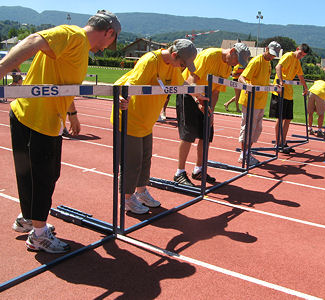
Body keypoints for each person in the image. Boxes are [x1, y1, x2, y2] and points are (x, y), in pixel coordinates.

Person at [0, 10, 121, 253]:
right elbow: (33, 40)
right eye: (112, 41)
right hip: (37, 119)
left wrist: (72, 114)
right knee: (43, 178)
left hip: (37, 117)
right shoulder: (74, 35)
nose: (109, 48)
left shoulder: (78, 48)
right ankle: (39, 235)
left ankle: (29, 218)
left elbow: (63, 85)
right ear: (108, 32)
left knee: (35, 174)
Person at [114, 39, 197, 214]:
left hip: (146, 121)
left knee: (145, 159)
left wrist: (197, 96)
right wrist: (123, 98)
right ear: (174, 55)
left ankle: (141, 192)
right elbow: (131, 83)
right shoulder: (150, 61)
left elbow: (182, 84)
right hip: (131, 118)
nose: (182, 68)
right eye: (182, 64)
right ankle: (127, 199)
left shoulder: (172, 67)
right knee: (132, 162)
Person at [174, 43, 251, 186]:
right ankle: (180, 172)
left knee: (206, 135)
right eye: (236, 59)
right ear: (232, 51)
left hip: (206, 98)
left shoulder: (228, 66)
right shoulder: (209, 56)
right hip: (189, 93)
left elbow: (215, 91)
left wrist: (211, 111)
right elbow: (192, 78)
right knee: (188, 135)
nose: (235, 64)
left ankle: (199, 169)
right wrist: (197, 99)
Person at [237, 41, 282, 165]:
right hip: (250, 101)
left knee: (257, 129)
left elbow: (263, 83)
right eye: (271, 53)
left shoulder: (268, 64)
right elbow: (242, 77)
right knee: (248, 128)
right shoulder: (256, 61)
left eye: (275, 55)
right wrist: (247, 85)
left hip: (261, 101)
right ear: (266, 49)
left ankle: (247, 153)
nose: (272, 57)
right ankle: (243, 154)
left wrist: (273, 86)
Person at [269, 43, 310, 154]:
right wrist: (281, 81)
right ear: (297, 49)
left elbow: (301, 76)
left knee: (288, 119)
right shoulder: (288, 56)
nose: (300, 56)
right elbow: (278, 67)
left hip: (289, 94)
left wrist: (305, 88)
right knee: (280, 118)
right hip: (280, 92)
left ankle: (283, 141)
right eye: (300, 54)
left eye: (303, 56)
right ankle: (278, 143)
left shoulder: (297, 62)